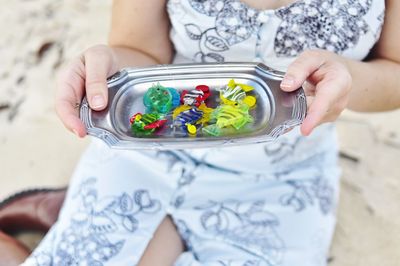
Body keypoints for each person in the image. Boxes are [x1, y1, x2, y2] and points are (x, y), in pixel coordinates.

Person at [1, 0, 398, 265]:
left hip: (281, 177)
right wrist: (107, 64)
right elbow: (139, 50)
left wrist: (348, 80)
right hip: (148, 153)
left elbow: (394, 72)